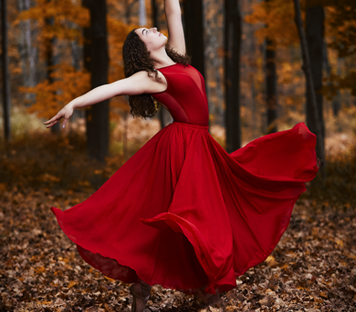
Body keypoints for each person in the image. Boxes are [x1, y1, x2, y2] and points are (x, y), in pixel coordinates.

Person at [44, 1, 320, 311]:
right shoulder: (152, 76)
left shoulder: (176, 55)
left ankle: (152, 288)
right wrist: (74, 104)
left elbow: (172, 8)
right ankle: (203, 286)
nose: (152, 28)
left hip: (199, 144)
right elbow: (112, 87)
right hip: (181, 148)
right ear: (142, 49)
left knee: (197, 211)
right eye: (145, 31)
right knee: (196, 216)